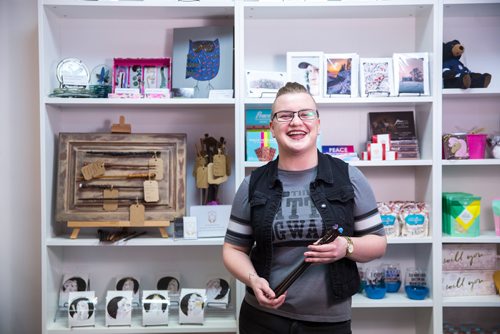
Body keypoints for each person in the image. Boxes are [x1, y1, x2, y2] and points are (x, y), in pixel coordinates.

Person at [222, 82, 387, 334]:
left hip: (329, 323)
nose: (296, 122)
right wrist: (253, 280)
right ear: (272, 128)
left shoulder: (349, 178)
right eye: (285, 116)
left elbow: (378, 243)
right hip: (263, 319)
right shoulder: (253, 185)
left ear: (318, 123)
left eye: (305, 114)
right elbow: (233, 249)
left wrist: (346, 246)